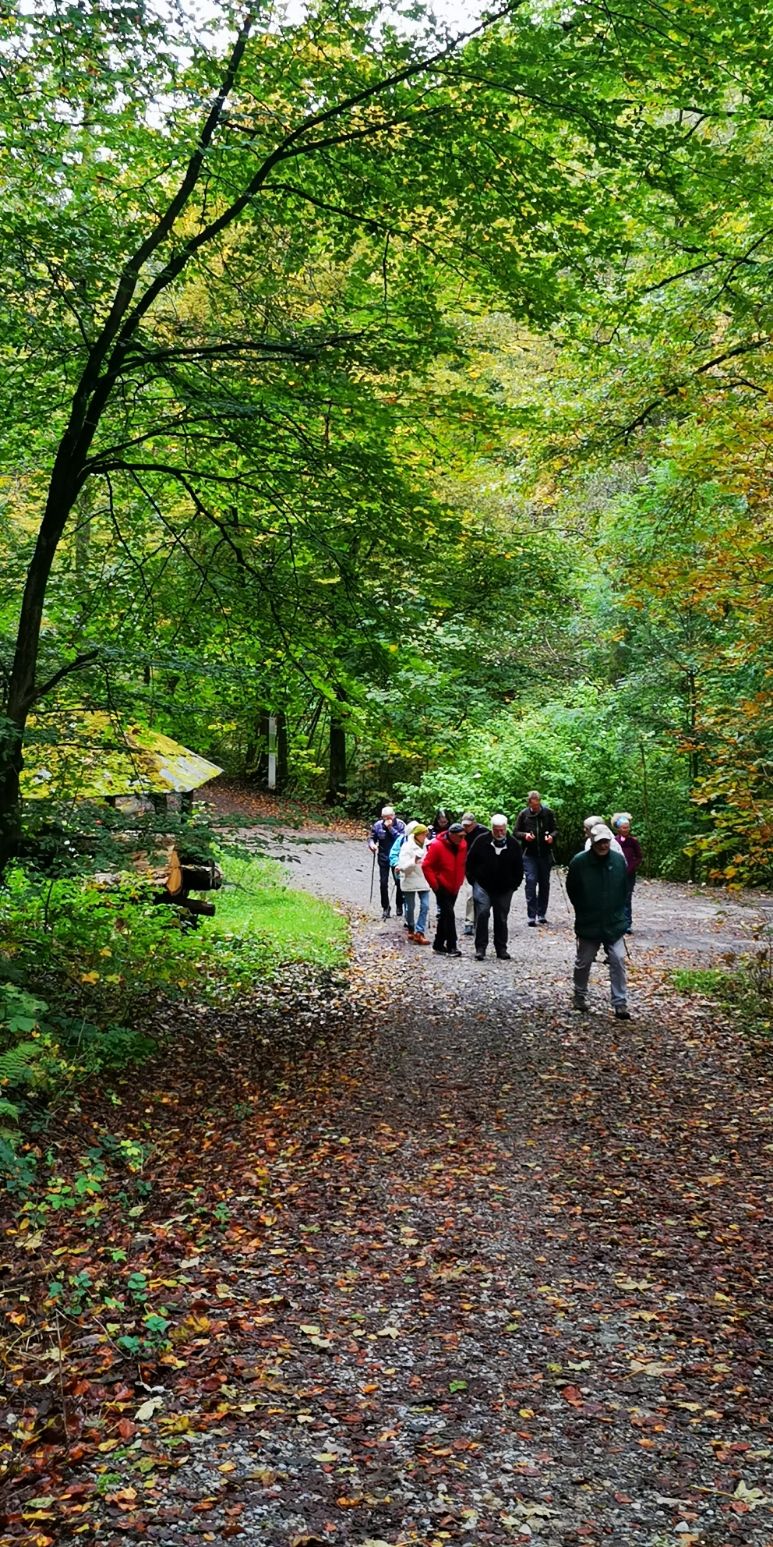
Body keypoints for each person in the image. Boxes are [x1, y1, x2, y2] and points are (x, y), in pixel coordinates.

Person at [566, 823, 631, 1019]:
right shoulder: (579, 862)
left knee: (618, 959)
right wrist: (583, 908)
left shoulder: (618, 861)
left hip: (614, 922)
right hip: (589, 921)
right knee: (584, 961)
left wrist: (620, 912)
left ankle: (620, 1003)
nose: (603, 845)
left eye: (606, 841)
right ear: (593, 842)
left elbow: (624, 888)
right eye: (600, 842)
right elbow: (572, 889)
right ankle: (579, 995)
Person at [466, 813, 524, 961]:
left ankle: (501, 948)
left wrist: (513, 886)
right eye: (496, 830)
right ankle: (480, 948)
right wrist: (473, 881)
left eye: (502, 830)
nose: (499, 833)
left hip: (504, 888)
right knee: (482, 913)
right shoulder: (481, 841)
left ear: (506, 828)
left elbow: (519, 868)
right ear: (491, 828)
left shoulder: (513, 844)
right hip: (483, 885)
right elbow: (470, 862)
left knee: (501, 917)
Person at [421, 822, 467, 956]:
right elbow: (426, 865)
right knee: (449, 915)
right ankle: (452, 945)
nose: (462, 838)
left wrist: (461, 879)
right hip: (441, 885)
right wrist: (435, 885)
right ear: (451, 835)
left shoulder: (463, 844)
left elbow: (462, 863)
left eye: (463, 836)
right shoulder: (437, 845)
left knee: (445, 915)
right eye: (460, 836)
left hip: (455, 885)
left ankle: (438, 944)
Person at [515, 790, 557, 925]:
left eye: (538, 805)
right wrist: (525, 836)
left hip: (545, 854)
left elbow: (555, 830)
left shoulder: (548, 813)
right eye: (533, 806)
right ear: (529, 803)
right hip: (529, 854)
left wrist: (551, 837)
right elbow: (516, 832)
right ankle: (531, 915)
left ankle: (541, 913)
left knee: (544, 883)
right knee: (531, 881)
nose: (536, 808)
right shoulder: (523, 814)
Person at [368, 805, 406, 920]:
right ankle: (385, 907)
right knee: (383, 883)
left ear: (394, 815)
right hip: (383, 856)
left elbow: (402, 839)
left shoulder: (400, 825)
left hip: (396, 857)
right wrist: (372, 845)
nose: (387, 819)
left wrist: (390, 828)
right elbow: (372, 838)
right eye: (385, 817)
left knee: (399, 882)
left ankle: (399, 904)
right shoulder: (377, 825)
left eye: (389, 817)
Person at [396, 823, 431, 944]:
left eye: (426, 834)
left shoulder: (428, 845)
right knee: (410, 907)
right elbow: (403, 867)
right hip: (409, 879)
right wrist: (414, 860)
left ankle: (419, 932)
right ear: (417, 834)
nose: (425, 836)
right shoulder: (406, 847)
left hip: (424, 879)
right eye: (423, 834)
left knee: (425, 905)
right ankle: (411, 927)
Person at [610, 812, 643, 933]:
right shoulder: (613, 841)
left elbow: (639, 856)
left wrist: (631, 867)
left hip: (629, 874)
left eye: (627, 827)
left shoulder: (633, 841)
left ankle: (627, 923)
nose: (626, 830)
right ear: (618, 829)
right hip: (615, 874)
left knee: (627, 898)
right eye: (624, 828)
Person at [460, 812, 488, 935]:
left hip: (482, 870)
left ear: (474, 823)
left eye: (468, 825)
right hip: (467, 869)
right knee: (470, 894)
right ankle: (469, 923)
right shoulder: (460, 833)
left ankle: (480, 920)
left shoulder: (484, 832)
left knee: (482, 896)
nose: (466, 828)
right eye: (464, 825)